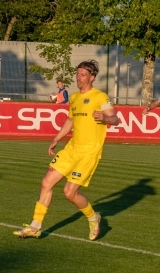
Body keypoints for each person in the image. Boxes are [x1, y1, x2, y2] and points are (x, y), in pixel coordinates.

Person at [14, 60, 119, 241]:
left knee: (69, 193)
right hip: (71, 149)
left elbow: (115, 119)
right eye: (77, 74)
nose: (78, 78)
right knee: (46, 182)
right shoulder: (74, 97)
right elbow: (70, 121)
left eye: (83, 74)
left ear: (92, 77)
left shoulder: (99, 97)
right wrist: (56, 138)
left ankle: (94, 218)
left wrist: (105, 117)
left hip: (88, 152)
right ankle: (35, 227)